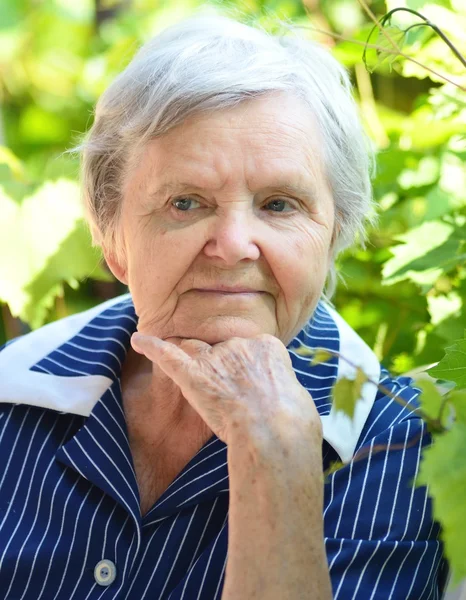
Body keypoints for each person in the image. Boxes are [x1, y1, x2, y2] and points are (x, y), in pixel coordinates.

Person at [0, 13, 444, 600]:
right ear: (112, 239)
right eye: (186, 202)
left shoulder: (409, 450)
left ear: (333, 233)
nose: (234, 244)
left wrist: (276, 455)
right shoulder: (13, 393)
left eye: (280, 204)